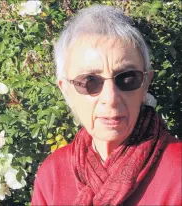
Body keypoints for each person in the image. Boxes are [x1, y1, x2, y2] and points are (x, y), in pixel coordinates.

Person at [31, 5, 181, 206]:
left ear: (145, 83)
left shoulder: (177, 172)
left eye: (127, 78)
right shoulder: (54, 174)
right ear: (65, 89)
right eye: (90, 81)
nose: (110, 98)